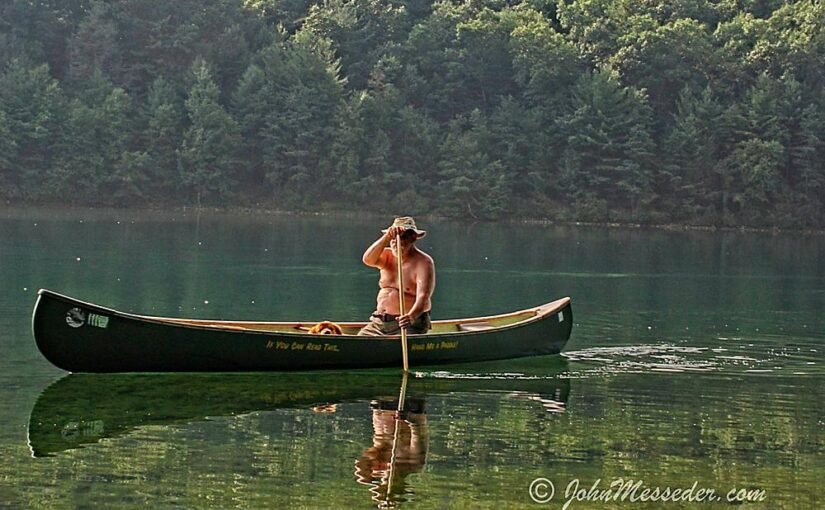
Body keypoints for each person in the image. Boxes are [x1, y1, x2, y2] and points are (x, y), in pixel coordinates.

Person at [358, 217, 435, 336]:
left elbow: (423, 296)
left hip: (408, 323)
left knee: (396, 350)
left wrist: (411, 317)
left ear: (413, 238)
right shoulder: (387, 256)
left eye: (402, 238)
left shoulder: (423, 262)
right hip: (379, 322)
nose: (396, 242)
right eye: (393, 239)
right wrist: (387, 237)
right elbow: (367, 259)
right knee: (360, 344)